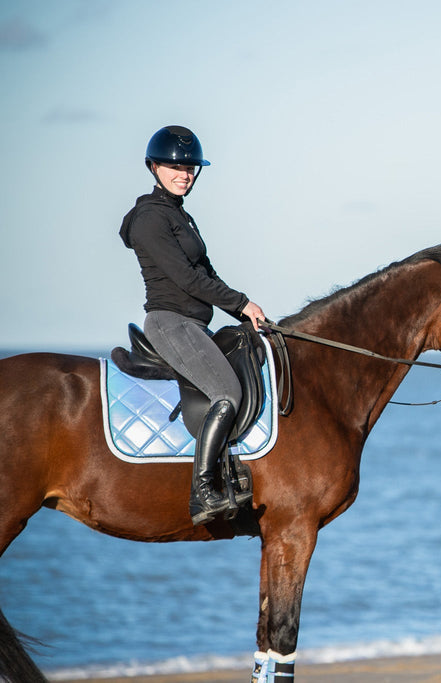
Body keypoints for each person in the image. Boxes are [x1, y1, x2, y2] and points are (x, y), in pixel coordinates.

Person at [119, 125, 266, 525]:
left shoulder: (180, 216)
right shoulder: (150, 219)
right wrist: (238, 302)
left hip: (194, 324)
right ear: (153, 166)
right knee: (226, 391)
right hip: (170, 323)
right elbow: (186, 279)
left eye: (190, 168)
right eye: (174, 166)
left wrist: (243, 312)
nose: (183, 173)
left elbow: (207, 272)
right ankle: (203, 491)